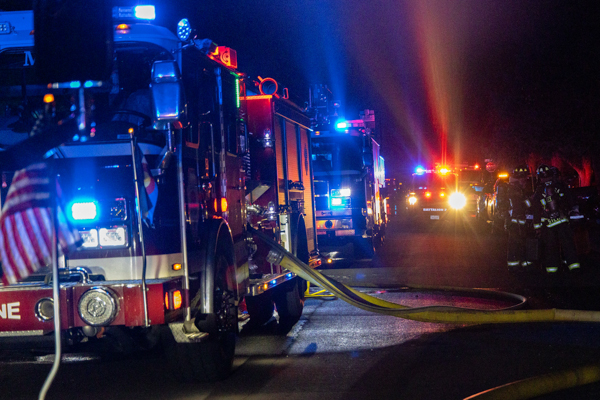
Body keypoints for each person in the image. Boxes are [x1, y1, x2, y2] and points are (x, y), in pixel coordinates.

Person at [531, 164, 581, 274]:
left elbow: (536, 210)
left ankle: (552, 271)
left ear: (540, 177)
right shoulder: (561, 185)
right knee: (568, 246)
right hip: (563, 221)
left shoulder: (539, 191)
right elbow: (571, 201)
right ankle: (574, 268)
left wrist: (537, 227)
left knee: (551, 248)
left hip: (548, 225)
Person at [505, 164, 533, 272]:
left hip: (518, 221)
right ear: (518, 178)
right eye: (523, 178)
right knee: (515, 244)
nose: (525, 180)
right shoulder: (515, 190)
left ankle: (520, 265)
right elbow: (523, 205)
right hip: (516, 221)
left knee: (520, 244)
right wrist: (530, 200)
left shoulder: (516, 188)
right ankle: (514, 266)